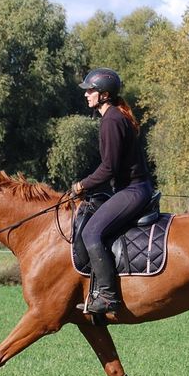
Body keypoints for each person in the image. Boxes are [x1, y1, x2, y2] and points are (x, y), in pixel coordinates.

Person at [71, 68, 154, 314]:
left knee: (91, 233)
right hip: (127, 189)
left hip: (134, 190)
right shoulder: (115, 116)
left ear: (104, 95)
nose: (86, 94)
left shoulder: (112, 120)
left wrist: (81, 185)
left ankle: (107, 297)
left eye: (91, 90)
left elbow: (109, 168)